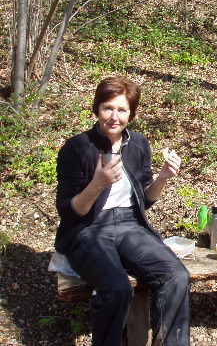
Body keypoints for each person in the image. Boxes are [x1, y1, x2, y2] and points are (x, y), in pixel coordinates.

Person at [55, 77, 190, 346]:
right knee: (116, 288)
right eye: (108, 108)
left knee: (176, 276)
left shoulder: (138, 144)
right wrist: (97, 184)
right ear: (96, 109)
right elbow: (68, 211)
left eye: (122, 110)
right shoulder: (76, 148)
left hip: (129, 224)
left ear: (132, 113)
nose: (114, 117)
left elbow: (144, 200)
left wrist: (162, 178)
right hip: (88, 230)